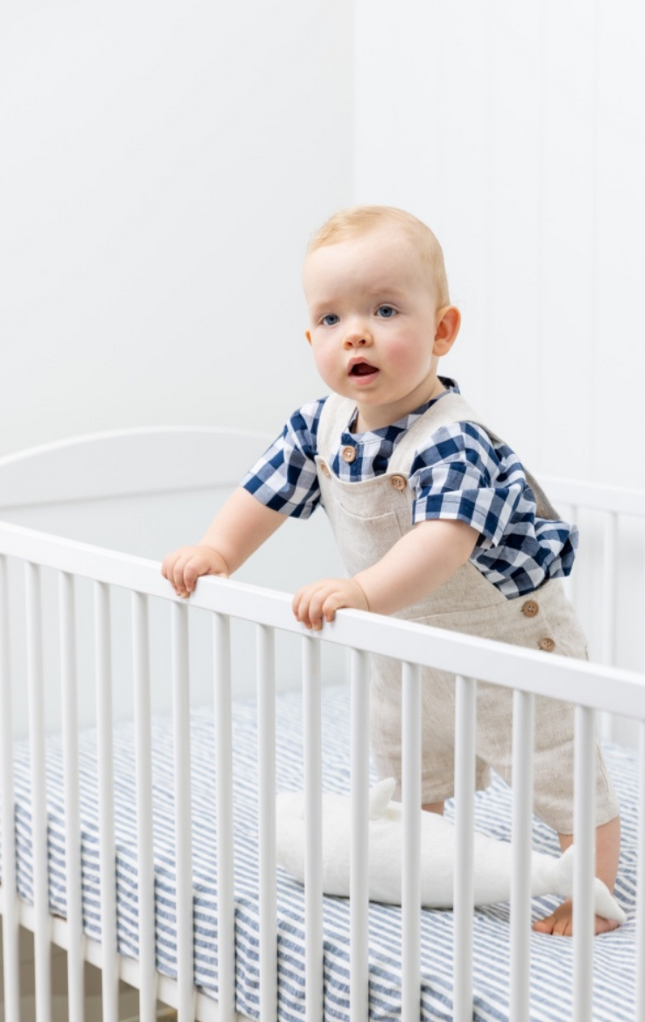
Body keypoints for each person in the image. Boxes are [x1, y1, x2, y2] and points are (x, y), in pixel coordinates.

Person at [161, 205, 621, 936]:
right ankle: (418, 859)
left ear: (441, 330)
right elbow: (262, 495)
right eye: (332, 317)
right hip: (406, 633)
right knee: (410, 759)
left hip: (504, 632)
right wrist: (219, 551)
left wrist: (362, 592)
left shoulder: (453, 441)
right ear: (311, 337)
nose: (358, 333)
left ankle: (591, 892)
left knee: (553, 761)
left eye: (384, 309)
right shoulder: (318, 427)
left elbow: (443, 542)